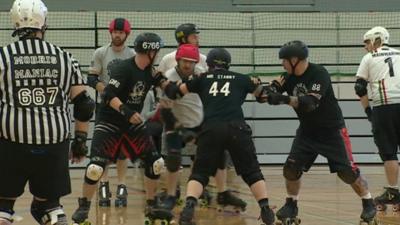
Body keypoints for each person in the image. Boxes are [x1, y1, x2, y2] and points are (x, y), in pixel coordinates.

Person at [0, 0, 94, 224]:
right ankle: (53, 215)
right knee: (47, 205)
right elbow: (84, 104)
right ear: (43, 22)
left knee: (3, 205)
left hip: (12, 143)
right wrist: (80, 140)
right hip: (54, 144)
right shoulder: (64, 57)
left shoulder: (3, 57)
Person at [265, 40, 377, 224]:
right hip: (307, 132)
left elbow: (310, 104)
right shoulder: (288, 76)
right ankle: (291, 205)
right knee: (291, 170)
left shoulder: (319, 73)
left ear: (294, 60)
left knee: (347, 172)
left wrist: (282, 98)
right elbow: (269, 95)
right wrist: (266, 89)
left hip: (332, 131)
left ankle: (368, 202)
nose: (282, 64)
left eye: (284, 60)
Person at [164, 48, 275, 225]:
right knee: (252, 172)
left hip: (211, 128)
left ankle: (189, 207)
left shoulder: (202, 78)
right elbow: (264, 96)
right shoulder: (241, 78)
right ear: (228, 64)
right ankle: (266, 209)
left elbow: (174, 93)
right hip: (237, 128)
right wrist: (258, 83)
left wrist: (170, 81)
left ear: (209, 65)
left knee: (200, 172)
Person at [71, 32, 169, 224]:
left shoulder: (150, 70)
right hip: (109, 121)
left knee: (155, 163)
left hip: (132, 124)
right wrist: (126, 111)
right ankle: (84, 207)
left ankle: (152, 206)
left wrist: (188, 85)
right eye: (156, 50)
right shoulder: (125, 68)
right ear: (150, 51)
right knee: (95, 167)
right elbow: (107, 94)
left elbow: (167, 86)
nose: (157, 54)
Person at [159, 44, 246, 212]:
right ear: (178, 60)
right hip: (175, 123)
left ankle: (222, 193)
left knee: (219, 154)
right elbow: (165, 109)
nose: (187, 65)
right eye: (185, 61)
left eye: (191, 62)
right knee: (173, 158)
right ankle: (171, 195)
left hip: (200, 122)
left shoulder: (202, 75)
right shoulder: (169, 77)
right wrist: (178, 128)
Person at [86, 17, 135, 208]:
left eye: (121, 33)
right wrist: (106, 92)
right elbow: (92, 78)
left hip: (125, 108)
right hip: (106, 107)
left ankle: (122, 184)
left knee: (123, 150)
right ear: (111, 33)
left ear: (126, 34)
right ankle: (104, 183)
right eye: (115, 32)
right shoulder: (101, 52)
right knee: (103, 149)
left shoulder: (132, 54)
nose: (117, 35)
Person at [355, 26, 400, 212]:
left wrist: (368, 112)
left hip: (384, 107)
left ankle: (393, 191)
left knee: (389, 152)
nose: (366, 46)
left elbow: (359, 87)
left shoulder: (368, 58)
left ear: (377, 39)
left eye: (367, 42)